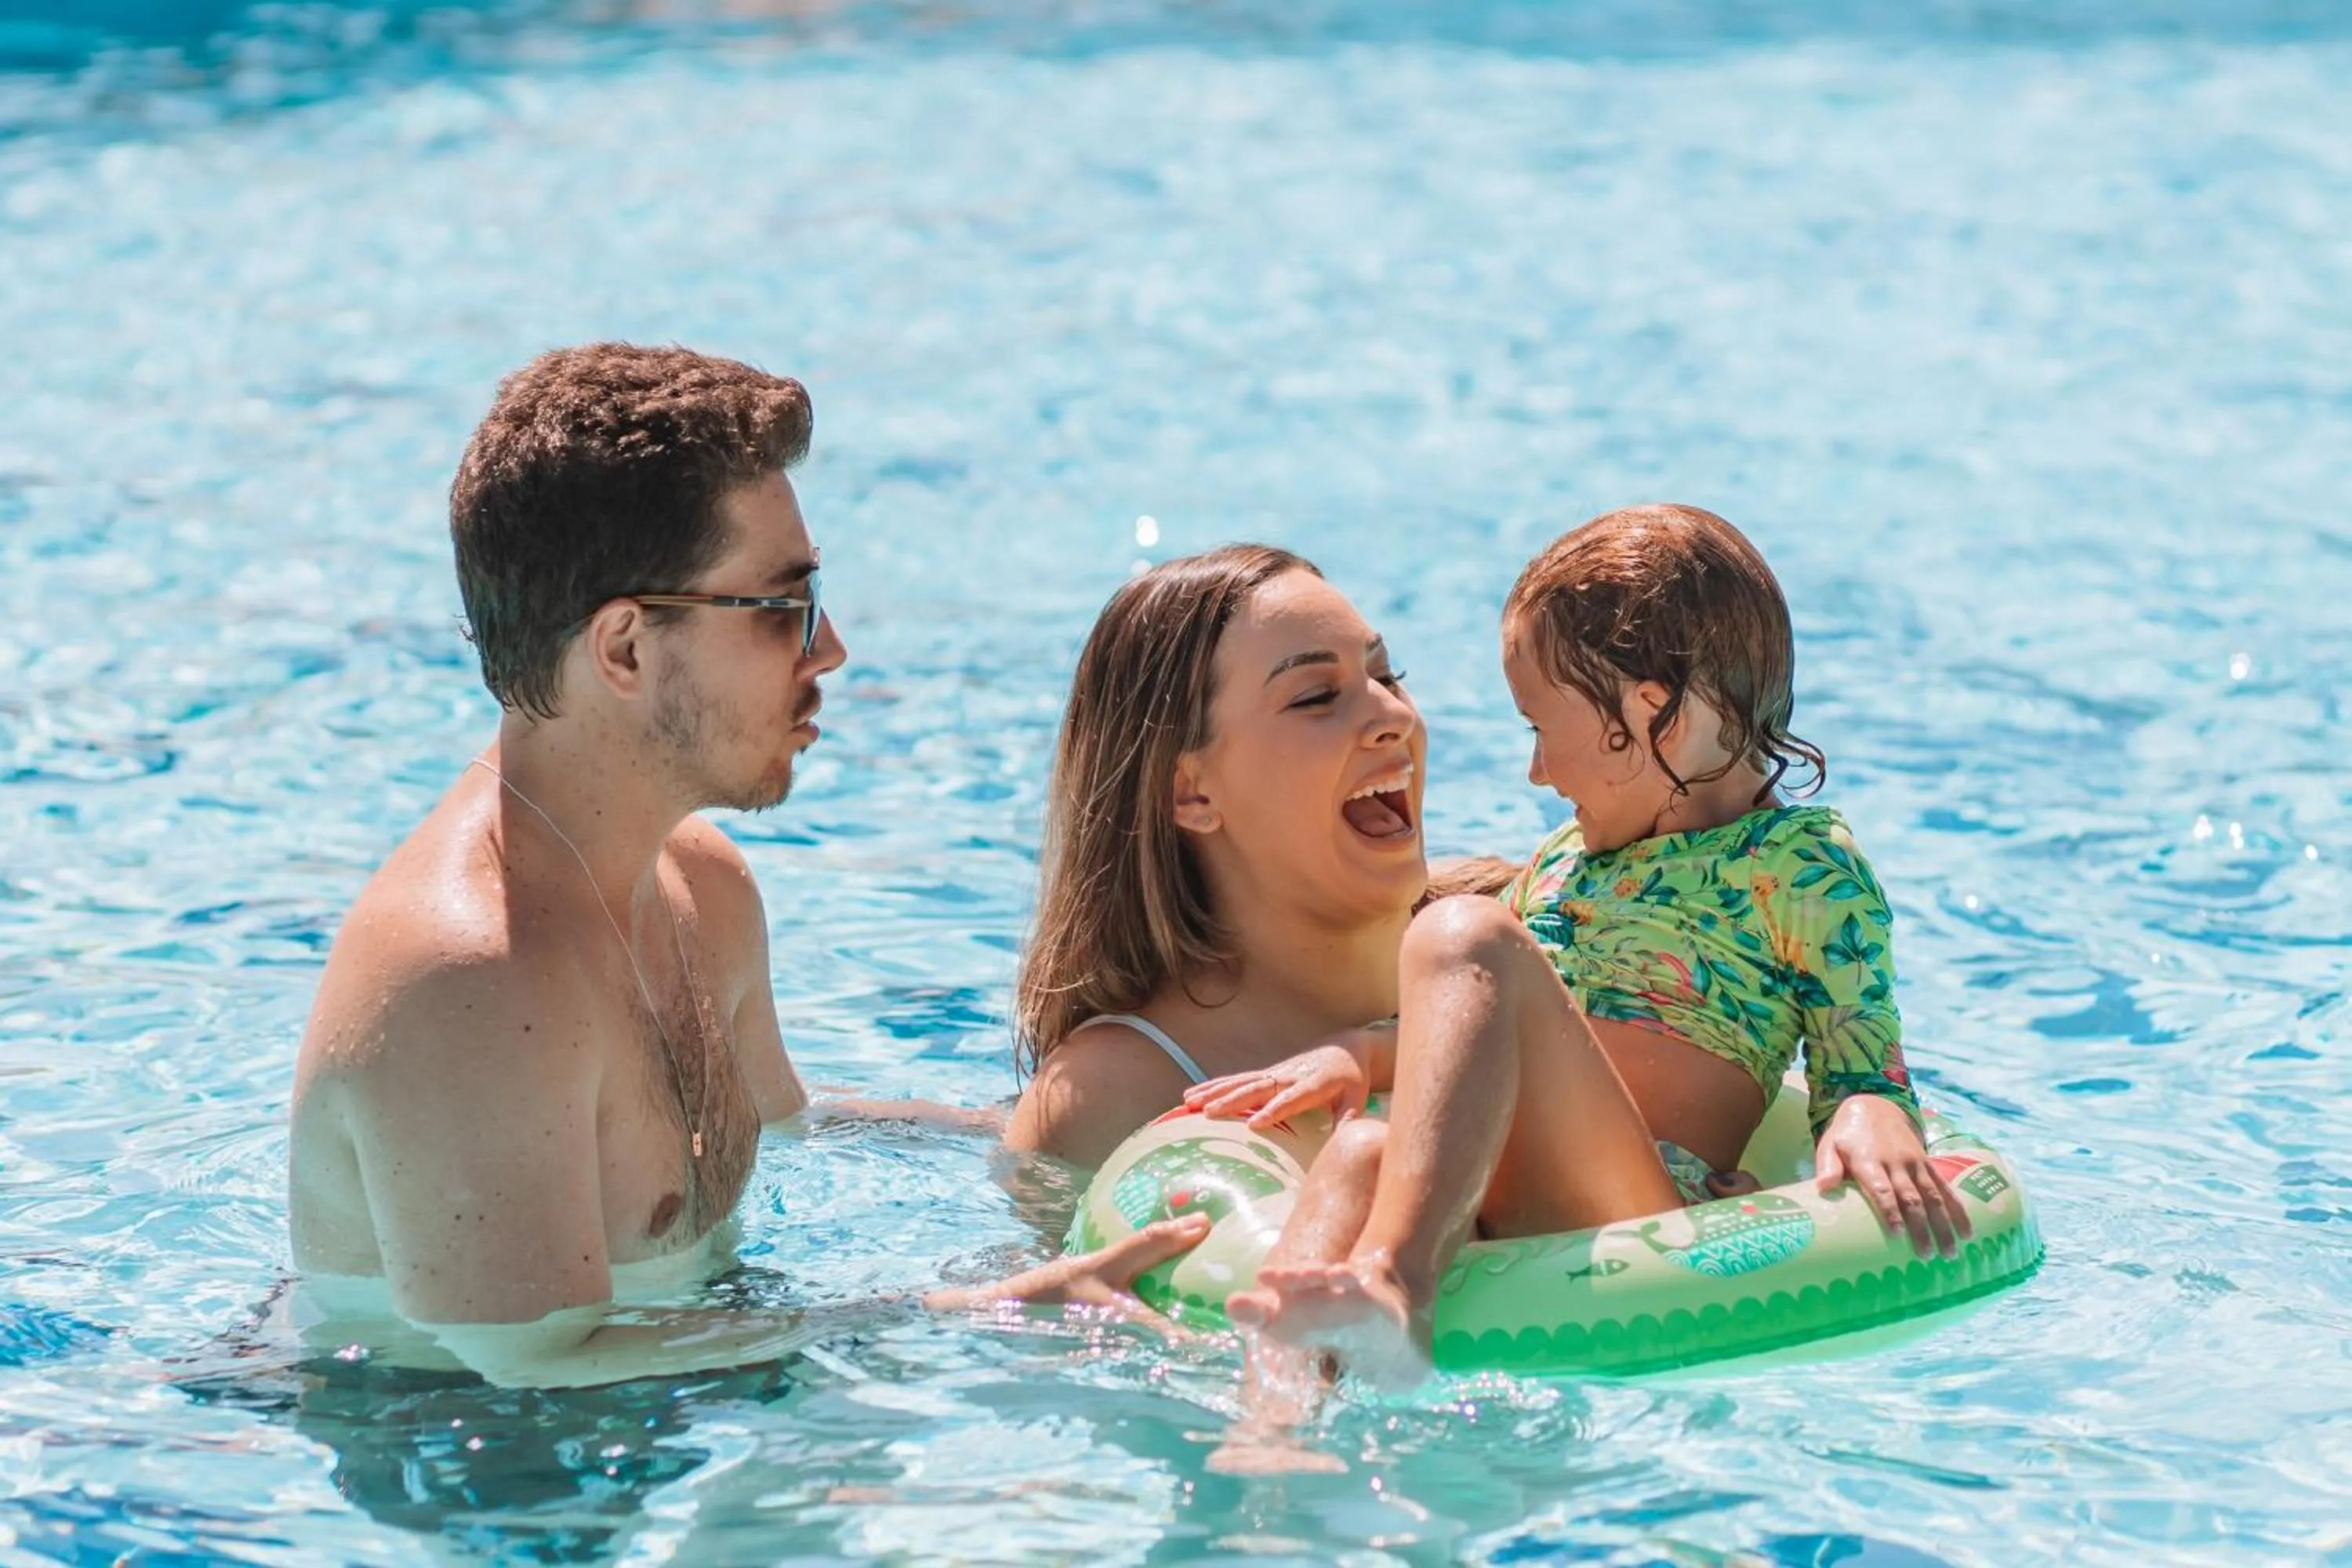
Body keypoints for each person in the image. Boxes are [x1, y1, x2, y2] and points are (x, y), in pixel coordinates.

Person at [287, 343, 1198, 1389]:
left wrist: (1081, 1133)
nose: (830, 648)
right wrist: (962, 1310)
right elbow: (533, 1363)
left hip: (668, 1415)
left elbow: (790, 1127)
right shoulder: (469, 981)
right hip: (471, 1474)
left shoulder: (700, 886)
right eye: (781, 608)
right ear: (624, 650)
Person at [1213, 504, 1968, 1393]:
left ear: (1653, 709)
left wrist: (1870, 1103)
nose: (1536, 771)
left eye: (1541, 727)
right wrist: (1359, 1052)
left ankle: (1396, 1286)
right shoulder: (1562, 866)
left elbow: (1861, 1058)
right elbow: (1483, 1031)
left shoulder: (1800, 867)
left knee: (1464, 929)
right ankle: (1270, 1416)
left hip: (1646, 1204)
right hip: (1508, 1186)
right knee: (1360, 1152)